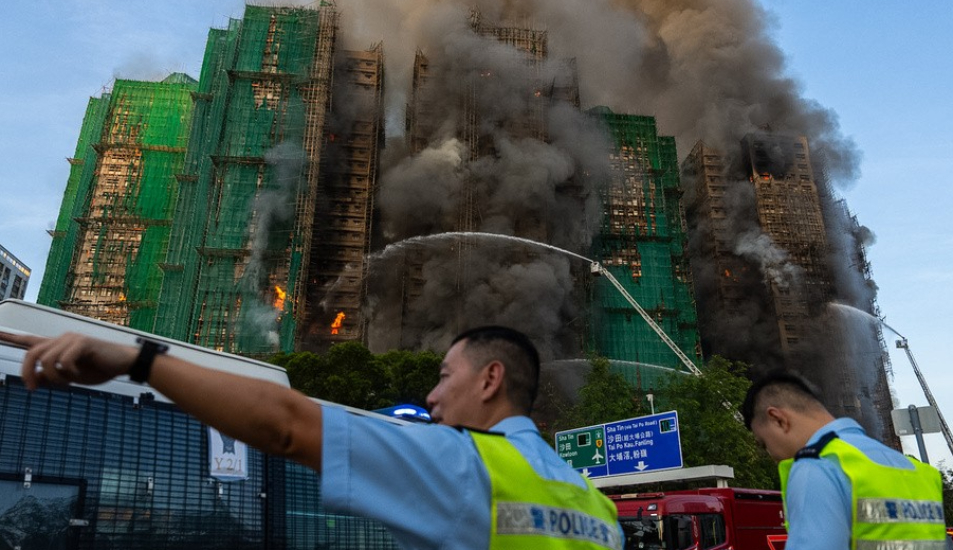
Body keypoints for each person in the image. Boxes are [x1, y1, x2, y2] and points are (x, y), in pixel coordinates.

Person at [1, 325, 622, 550]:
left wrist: (136, 361)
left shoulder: (464, 465)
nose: (431, 397)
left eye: (442, 376)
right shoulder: (600, 510)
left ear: (491, 380)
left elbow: (287, 425)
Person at [741, 371, 946, 550]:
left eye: (763, 444)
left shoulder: (818, 466)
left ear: (778, 419)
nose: (771, 455)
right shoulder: (918, 472)